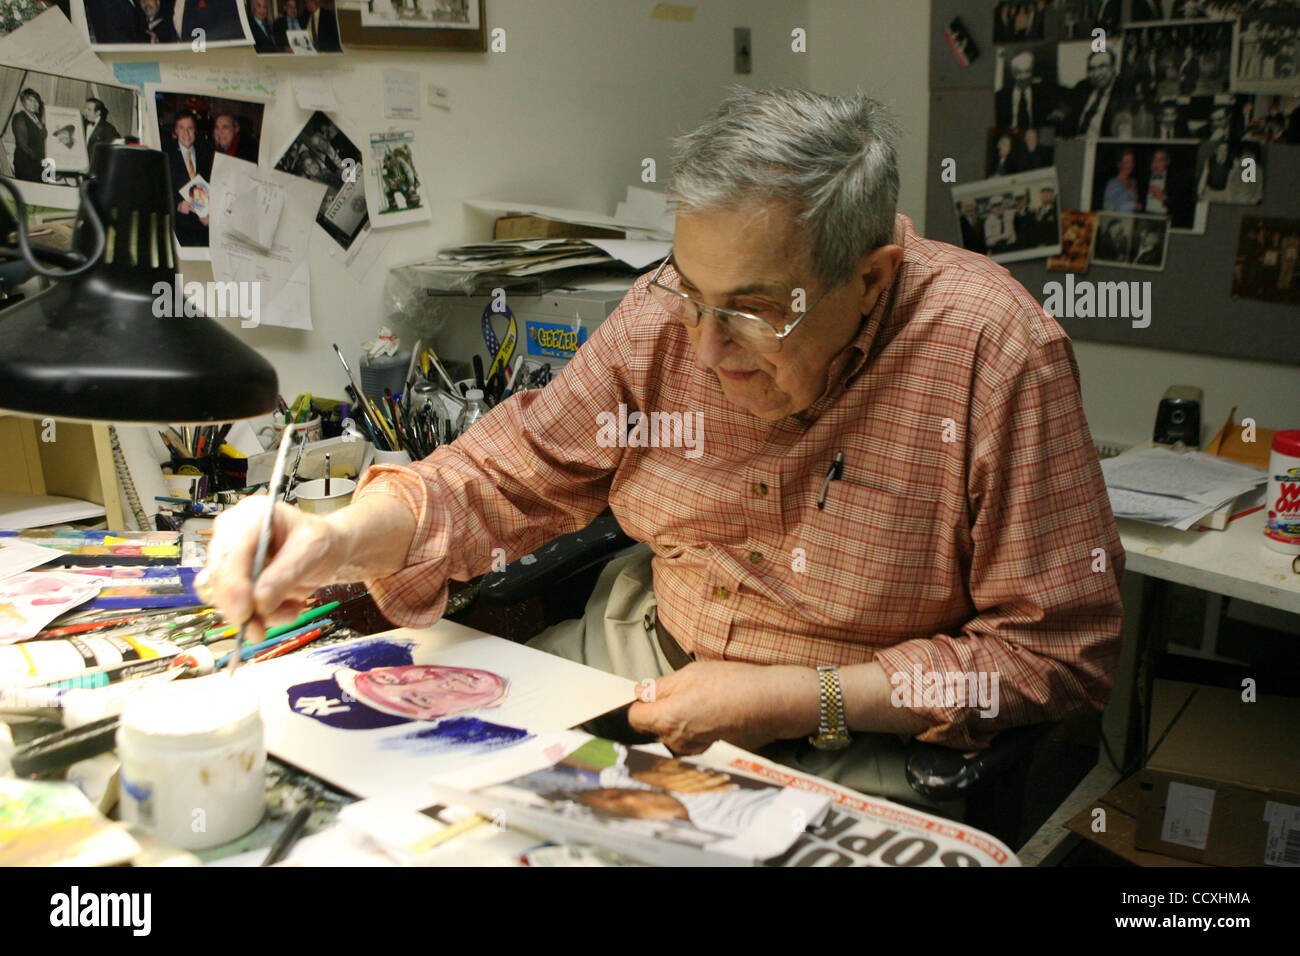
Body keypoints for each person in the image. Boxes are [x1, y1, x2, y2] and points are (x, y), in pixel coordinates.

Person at [201, 89, 1123, 801]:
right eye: (691, 290)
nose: (707, 346)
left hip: (860, 730)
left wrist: (805, 696)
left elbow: (1057, 660)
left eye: (755, 311)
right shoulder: (664, 316)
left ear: (872, 280)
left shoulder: (996, 351)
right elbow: (501, 473)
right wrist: (332, 539)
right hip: (643, 654)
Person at [164, 111, 212, 247]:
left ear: (195, 130)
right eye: (181, 128)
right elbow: (160, 191)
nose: (186, 133)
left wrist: (209, 213)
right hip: (179, 227)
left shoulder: (206, 152)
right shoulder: (166, 154)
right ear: (175, 131)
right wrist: (177, 206)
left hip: (204, 227)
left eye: (190, 128)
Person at [1063, 49, 1119, 138]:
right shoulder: (1082, 88)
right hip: (1077, 146)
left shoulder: (1122, 93)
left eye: (1102, 67)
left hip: (1105, 148)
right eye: (1092, 69)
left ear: (1113, 68)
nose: (1096, 74)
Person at [995, 50, 1051, 131]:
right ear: (1012, 74)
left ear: (1032, 72)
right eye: (1018, 73)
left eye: (1027, 72)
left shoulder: (1042, 93)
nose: (1023, 77)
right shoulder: (1000, 96)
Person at [9, 88, 45, 181]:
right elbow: (23, 145)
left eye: (36, 100)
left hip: (37, 163)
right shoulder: (20, 118)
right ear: (23, 102)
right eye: (30, 100)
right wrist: (37, 158)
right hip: (25, 162)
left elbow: (42, 137)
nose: (34, 103)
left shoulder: (36, 118)